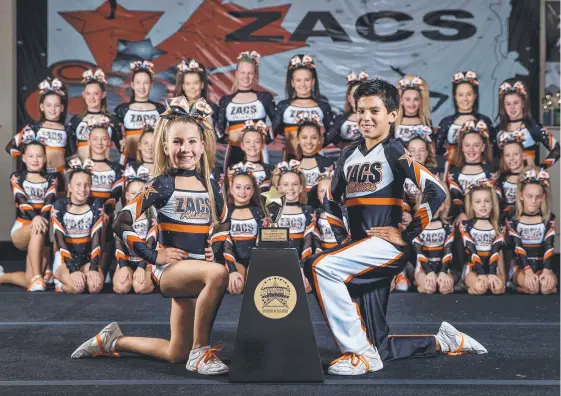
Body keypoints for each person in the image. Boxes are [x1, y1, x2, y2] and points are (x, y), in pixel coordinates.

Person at [302, 79, 487, 376]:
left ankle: (359, 354)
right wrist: (343, 240)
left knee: (319, 266)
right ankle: (444, 340)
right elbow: (332, 202)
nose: (366, 117)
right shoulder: (347, 155)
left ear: (392, 114)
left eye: (374, 110)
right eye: (360, 110)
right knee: (380, 344)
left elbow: (435, 190)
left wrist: (406, 234)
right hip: (359, 250)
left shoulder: (394, 151)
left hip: (385, 248)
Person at [71, 96, 230, 376]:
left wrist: (213, 252)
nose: (186, 149)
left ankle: (111, 340)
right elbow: (121, 222)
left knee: (174, 353)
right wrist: (152, 254)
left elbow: (223, 224)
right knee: (218, 274)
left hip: (197, 273)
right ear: (166, 146)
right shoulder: (162, 184)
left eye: (192, 141)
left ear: (203, 145)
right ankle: (202, 353)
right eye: (178, 142)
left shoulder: (211, 184)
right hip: (169, 271)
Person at [0, 137, 57, 291]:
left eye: (39, 156)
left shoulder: (51, 179)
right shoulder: (17, 177)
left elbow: (48, 203)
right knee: (36, 228)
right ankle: (38, 277)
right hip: (21, 229)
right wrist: (36, 218)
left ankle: (2, 277)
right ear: (24, 158)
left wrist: (40, 218)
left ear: (45, 158)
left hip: (41, 231)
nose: (35, 160)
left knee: (27, 281)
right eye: (31, 156)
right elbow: (21, 200)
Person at [6, 78, 69, 195]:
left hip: (59, 175)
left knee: (58, 209)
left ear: (62, 108)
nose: (53, 109)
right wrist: (25, 159)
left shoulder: (67, 130)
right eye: (48, 105)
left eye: (56, 105)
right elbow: (10, 147)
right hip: (40, 176)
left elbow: (73, 154)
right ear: (42, 107)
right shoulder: (34, 128)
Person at [216, 51, 276, 168]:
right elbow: (219, 129)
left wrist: (267, 138)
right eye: (243, 72)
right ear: (237, 74)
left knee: (261, 185)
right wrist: (228, 139)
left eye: (250, 73)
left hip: (258, 152)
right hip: (234, 151)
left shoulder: (264, 98)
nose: (246, 77)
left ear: (255, 75)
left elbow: (277, 121)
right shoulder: (226, 100)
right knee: (232, 185)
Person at [51, 168, 105, 294]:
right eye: (78, 185)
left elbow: (96, 237)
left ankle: (82, 276)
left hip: (86, 259)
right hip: (65, 261)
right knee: (77, 288)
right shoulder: (59, 206)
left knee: (95, 288)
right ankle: (60, 284)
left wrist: (93, 267)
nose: (83, 189)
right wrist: (72, 269)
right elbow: (60, 240)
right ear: (69, 187)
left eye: (87, 185)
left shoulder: (96, 205)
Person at [273, 54, 333, 161]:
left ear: (313, 81)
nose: (303, 84)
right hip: (291, 159)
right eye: (298, 80)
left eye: (307, 80)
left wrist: (320, 143)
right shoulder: (283, 106)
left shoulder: (323, 107)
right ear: (292, 83)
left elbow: (332, 132)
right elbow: (273, 133)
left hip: (317, 158)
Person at [506, 168, 557, 294]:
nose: (534, 201)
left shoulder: (549, 219)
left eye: (538, 197)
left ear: (544, 197)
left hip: (542, 266)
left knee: (545, 288)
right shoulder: (513, 219)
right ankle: (514, 285)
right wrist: (528, 271)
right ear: (521, 196)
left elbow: (548, 246)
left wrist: (546, 270)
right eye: (529, 196)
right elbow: (518, 246)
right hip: (521, 267)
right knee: (532, 288)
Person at [436, 71, 494, 178]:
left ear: (475, 96)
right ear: (455, 96)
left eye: (469, 94)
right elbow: (437, 151)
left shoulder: (485, 121)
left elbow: (493, 151)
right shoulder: (446, 122)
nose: (465, 99)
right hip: (451, 173)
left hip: (479, 173)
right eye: (460, 95)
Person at [221, 162, 264, 295]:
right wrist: (232, 270)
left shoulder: (259, 212)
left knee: (255, 289)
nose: (243, 192)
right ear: (231, 189)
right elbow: (226, 244)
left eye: (247, 188)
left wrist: (255, 265)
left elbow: (261, 241)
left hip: (256, 259)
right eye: (238, 187)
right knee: (237, 287)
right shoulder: (225, 213)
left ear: (253, 190)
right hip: (234, 260)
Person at [495, 80, 559, 168]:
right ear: (504, 106)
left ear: (523, 103)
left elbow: (557, 150)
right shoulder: (498, 131)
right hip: (504, 180)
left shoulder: (534, 128)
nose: (512, 107)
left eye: (516, 103)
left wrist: (541, 168)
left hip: (526, 180)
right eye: (508, 104)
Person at [113, 169, 157, 295]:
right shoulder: (119, 217)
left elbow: (151, 244)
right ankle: (129, 275)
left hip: (146, 261)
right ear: (127, 196)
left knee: (140, 287)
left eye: (141, 193)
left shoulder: (152, 216)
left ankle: (152, 278)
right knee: (121, 288)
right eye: (133, 193)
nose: (138, 197)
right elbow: (118, 243)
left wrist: (142, 267)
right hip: (127, 258)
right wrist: (122, 265)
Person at [459, 179, 506, 295]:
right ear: (472, 205)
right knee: (480, 288)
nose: (483, 205)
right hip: (473, 269)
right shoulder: (466, 226)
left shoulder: (499, 227)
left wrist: (496, 274)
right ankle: (469, 286)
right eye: (478, 202)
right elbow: (472, 252)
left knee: (498, 289)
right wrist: (481, 273)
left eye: (487, 201)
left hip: (492, 267)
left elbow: (497, 253)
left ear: (492, 204)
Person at [114, 60, 165, 167]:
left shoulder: (160, 109)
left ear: (151, 85)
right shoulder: (122, 109)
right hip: (129, 161)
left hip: (154, 161)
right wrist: (120, 143)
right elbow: (114, 135)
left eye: (146, 83)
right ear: (132, 84)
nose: (142, 87)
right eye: (138, 82)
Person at [67, 68, 123, 162]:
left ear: (103, 94)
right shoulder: (76, 120)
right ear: (83, 95)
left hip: (105, 172)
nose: (91, 98)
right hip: (83, 173)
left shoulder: (112, 120)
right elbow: (69, 152)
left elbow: (123, 150)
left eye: (96, 93)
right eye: (88, 93)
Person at [272, 160, 315, 261]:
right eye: (286, 184)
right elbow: (269, 242)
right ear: (279, 188)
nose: (290, 188)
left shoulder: (308, 210)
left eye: (295, 184)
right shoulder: (272, 211)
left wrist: (303, 264)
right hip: (278, 260)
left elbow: (308, 240)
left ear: (301, 188)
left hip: (302, 261)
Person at [413, 195, 455, 294]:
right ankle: (419, 284)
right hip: (422, 269)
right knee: (429, 288)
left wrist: (443, 272)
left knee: (444, 289)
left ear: (442, 206)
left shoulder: (448, 228)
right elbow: (419, 253)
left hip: (443, 268)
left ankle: (450, 286)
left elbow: (448, 252)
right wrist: (429, 272)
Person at [220, 120, 275, 191]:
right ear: (242, 146)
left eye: (257, 142)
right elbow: (228, 196)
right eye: (248, 142)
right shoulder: (233, 169)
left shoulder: (272, 169)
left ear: (262, 145)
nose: (252, 145)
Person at [293, 112, 334, 203]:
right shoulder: (291, 165)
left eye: (314, 138)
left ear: (320, 140)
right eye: (304, 137)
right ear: (298, 140)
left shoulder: (328, 164)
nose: (309, 142)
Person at [325, 71, 368, 151]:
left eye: (361, 94)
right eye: (354, 94)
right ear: (348, 98)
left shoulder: (375, 119)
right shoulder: (340, 119)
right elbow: (326, 140)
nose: (357, 98)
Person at [496, 130, 527, 221]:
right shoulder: (500, 179)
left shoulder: (532, 177)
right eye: (507, 155)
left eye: (516, 154)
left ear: (524, 155)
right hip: (505, 223)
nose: (512, 158)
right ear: (503, 158)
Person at [394, 75, 433, 144]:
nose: (412, 103)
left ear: (421, 101)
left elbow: (431, 148)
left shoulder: (426, 122)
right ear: (401, 101)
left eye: (416, 99)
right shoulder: (393, 123)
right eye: (408, 99)